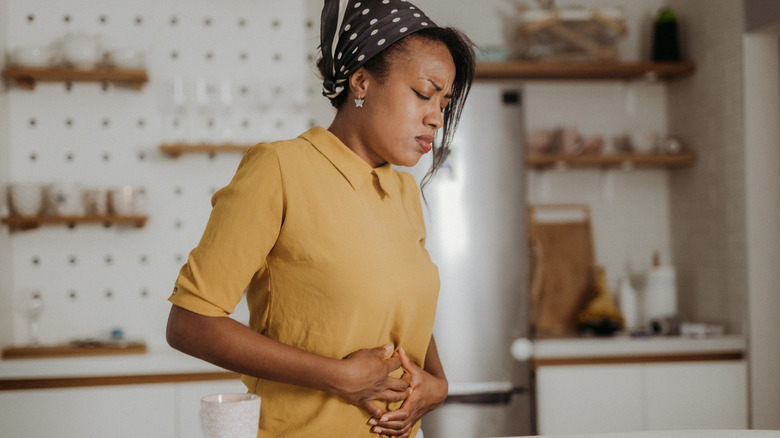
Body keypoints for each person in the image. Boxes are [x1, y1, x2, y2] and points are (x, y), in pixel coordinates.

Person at [165, 0, 475, 436]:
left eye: (444, 102)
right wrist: (339, 376)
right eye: (424, 94)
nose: (436, 118)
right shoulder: (280, 168)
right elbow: (190, 324)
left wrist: (436, 384)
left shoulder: (402, 190)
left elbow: (403, 308)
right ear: (361, 82)